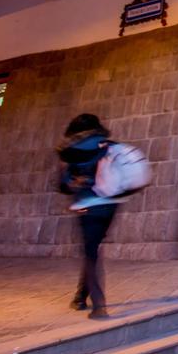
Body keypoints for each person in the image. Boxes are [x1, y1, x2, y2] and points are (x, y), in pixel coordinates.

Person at [57, 114, 120, 319]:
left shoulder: (74, 150)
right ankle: (80, 297)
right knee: (92, 249)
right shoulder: (111, 146)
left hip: (88, 207)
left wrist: (80, 182)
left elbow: (65, 184)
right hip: (110, 207)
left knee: (91, 252)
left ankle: (99, 305)